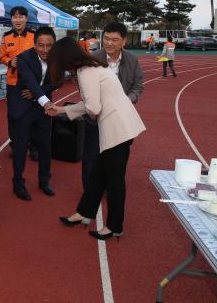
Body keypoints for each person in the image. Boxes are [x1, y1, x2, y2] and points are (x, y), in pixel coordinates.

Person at [46, 37, 146, 240]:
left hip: (117, 129)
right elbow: (94, 103)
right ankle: (84, 213)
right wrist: (63, 110)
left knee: (114, 181)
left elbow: (93, 108)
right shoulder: (92, 66)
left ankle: (114, 226)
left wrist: (65, 110)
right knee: (98, 175)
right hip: (121, 126)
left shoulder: (86, 72)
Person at [82, 22, 144, 188]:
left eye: (114, 40)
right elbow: (84, 87)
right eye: (106, 38)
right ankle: (89, 190)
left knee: (117, 159)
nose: (109, 43)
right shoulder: (93, 58)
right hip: (96, 117)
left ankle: (111, 187)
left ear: (123, 41)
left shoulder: (132, 59)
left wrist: (127, 100)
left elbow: (138, 86)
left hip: (121, 119)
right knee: (92, 155)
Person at [11, 27, 57, 200]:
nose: (45, 50)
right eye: (41, 45)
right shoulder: (23, 58)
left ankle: (44, 181)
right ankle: (18, 183)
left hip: (42, 109)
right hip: (24, 108)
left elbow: (58, 80)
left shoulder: (57, 58)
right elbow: (29, 79)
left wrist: (38, 93)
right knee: (21, 147)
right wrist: (44, 100)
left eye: (49, 46)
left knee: (45, 145)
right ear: (34, 43)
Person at [0, 6, 35, 160]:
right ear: (11, 19)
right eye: (15, 17)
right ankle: (16, 146)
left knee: (33, 114)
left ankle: (34, 147)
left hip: (32, 81)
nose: (18, 20)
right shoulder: (6, 37)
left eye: (21, 17)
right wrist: (9, 61)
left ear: (26, 19)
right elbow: (2, 56)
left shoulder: (34, 36)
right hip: (13, 82)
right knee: (14, 116)